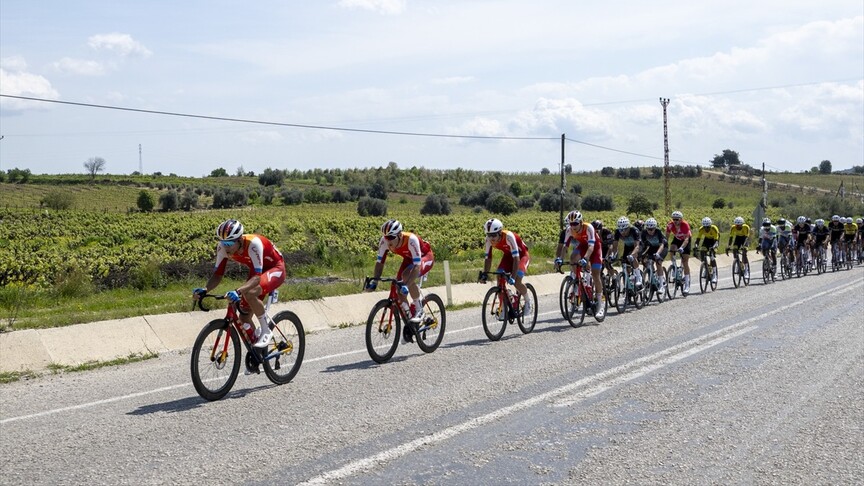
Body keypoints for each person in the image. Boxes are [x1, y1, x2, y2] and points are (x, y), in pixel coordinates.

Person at [193, 219, 286, 351]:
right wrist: (205, 289)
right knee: (244, 317)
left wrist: (238, 291)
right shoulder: (222, 248)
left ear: (240, 240)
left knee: (249, 293)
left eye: (229, 243)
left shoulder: (253, 244)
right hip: (257, 270)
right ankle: (257, 352)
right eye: (223, 243)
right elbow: (217, 275)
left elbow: (256, 278)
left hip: (275, 268)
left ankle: (266, 330)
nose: (226, 247)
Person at [366, 219, 434, 343]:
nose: (388, 241)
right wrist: (374, 281)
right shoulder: (384, 242)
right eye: (386, 237)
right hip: (409, 259)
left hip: (425, 257)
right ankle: (410, 322)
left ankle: (419, 309)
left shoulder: (411, 240)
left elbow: (417, 266)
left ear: (400, 235)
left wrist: (407, 285)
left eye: (391, 237)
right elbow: (379, 263)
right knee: (398, 287)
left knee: (406, 277)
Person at [556, 210, 604, 318]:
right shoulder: (569, 230)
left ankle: (600, 304)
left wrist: (586, 258)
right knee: (573, 258)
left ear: (581, 222)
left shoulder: (588, 227)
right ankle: (578, 281)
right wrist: (560, 259)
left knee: (596, 275)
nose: (573, 226)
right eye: (571, 224)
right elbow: (565, 246)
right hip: (583, 246)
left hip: (595, 247)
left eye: (575, 223)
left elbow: (591, 247)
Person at [481, 218, 532, 317]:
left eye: (494, 235)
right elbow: (488, 258)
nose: (491, 238)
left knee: (517, 281)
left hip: (522, 256)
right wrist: (485, 274)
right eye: (489, 235)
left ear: (500, 232)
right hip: (508, 257)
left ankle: (528, 302)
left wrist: (513, 277)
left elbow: (516, 259)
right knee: (499, 276)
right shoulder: (488, 240)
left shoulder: (509, 237)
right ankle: (503, 307)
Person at [612, 216, 643, 289]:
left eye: (624, 229)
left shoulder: (634, 230)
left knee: (633, 257)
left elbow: (637, 246)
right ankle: (628, 284)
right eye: (620, 230)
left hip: (638, 246)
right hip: (628, 246)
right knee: (624, 263)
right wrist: (613, 255)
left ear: (628, 227)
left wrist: (632, 255)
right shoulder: (617, 232)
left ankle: (639, 277)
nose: (622, 232)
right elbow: (615, 247)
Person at [665, 211, 692, 294]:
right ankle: (674, 266)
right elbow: (666, 237)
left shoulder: (685, 225)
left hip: (686, 240)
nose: (675, 221)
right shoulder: (670, 225)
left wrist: (681, 248)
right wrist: (664, 245)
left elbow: (686, 239)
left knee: (685, 261)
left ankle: (687, 284)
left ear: (681, 219)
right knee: (671, 249)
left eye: (677, 219)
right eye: (674, 219)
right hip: (677, 239)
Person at [639, 218, 668, 292]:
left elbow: (662, 245)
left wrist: (658, 254)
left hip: (662, 248)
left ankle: (661, 285)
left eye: (651, 229)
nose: (650, 231)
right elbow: (642, 245)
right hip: (652, 247)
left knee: (658, 262)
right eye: (648, 229)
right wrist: (641, 254)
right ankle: (652, 275)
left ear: (655, 228)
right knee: (647, 261)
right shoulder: (644, 232)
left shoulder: (658, 232)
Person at [694, 217, 720, 284]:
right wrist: (696, 246)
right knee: (702, 251)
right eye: (705, 227)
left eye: (707, 227)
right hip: (707, 240)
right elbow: (698, 239)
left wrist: (713, 247)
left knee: (712, 256)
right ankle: (706, 267)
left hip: (714, 240)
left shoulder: (714, 228)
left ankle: (714, 275)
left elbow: (716, 241)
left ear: (710, 225)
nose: (706, 228)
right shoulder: (701, 229)